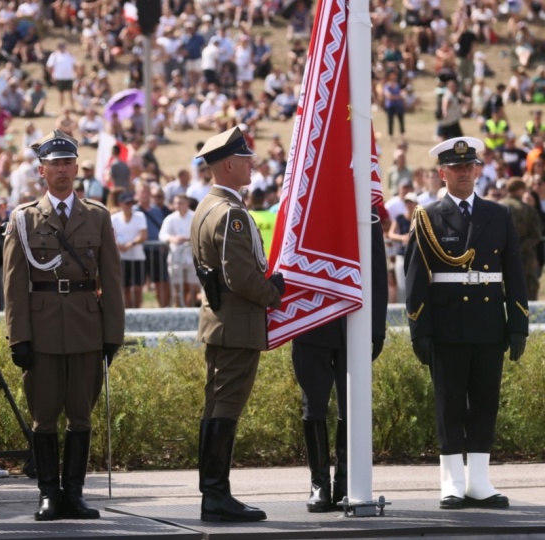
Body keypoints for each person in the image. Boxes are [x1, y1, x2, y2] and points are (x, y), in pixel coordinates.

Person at [3, 130, 125, 522]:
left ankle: (74, 492)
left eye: (67, 162)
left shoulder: (97, 216)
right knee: (44, 416)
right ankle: (49, 494)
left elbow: (113, 280)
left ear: (76, 168)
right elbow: (13, 285)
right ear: (41, 171)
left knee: (81, 415)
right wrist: (18, 336)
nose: (61, 170)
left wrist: (112, 334)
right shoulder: (23, 219)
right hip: (42, 332)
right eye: (53, 163)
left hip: (87, 328)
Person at [404, 136, 529, 510]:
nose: (464, 173)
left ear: (478, 169)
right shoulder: (428, 216)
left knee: (486, 402)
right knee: (450, 404)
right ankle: (452, 482)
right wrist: (419, 329)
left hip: (489, 322)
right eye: (456, 168)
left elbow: (515, 272)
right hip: (447, 323)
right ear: (442, 173)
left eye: (469, 167)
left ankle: (479, 481)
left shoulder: (498, 213)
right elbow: (415, 279)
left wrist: (518, 323)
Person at [189, 126, 284, 522]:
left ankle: (215, 493)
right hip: (237, 323)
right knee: (225, 408)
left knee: (218, 406)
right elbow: (241, 278)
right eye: (245, 159)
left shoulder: (206, 207)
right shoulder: (230, 214)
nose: (252, 165)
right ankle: (215, 495)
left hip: (222, 321)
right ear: (228, 165)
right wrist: (273, 292)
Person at [292, 206, 388, 512]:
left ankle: (345, 481)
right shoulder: (304, 204)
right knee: (314, 404)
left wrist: (376, 329)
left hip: (353, 324)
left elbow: (376, 268)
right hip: (311, 321)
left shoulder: (362, 206)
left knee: (351, 406)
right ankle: (319, 484)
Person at [500, 178, 542, 300]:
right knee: (527, 290)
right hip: (525, 257)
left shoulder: (496, 207)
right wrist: (520, 247)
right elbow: (536, 235)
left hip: (500, 256)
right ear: (521, 190)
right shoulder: (528, 209)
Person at [159, 193, 199, 307]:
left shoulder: (194, 216)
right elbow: (162, 234)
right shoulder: (170, 218)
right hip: (176, 257)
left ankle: (189, 310)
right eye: (176, 203)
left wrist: (189, 238)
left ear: (187, 204)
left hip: (192, 257)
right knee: (178, 287)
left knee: (192, 286)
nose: (178, 205)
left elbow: (201, 232)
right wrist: (173, 238)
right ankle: (179, 311)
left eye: (181, 203)